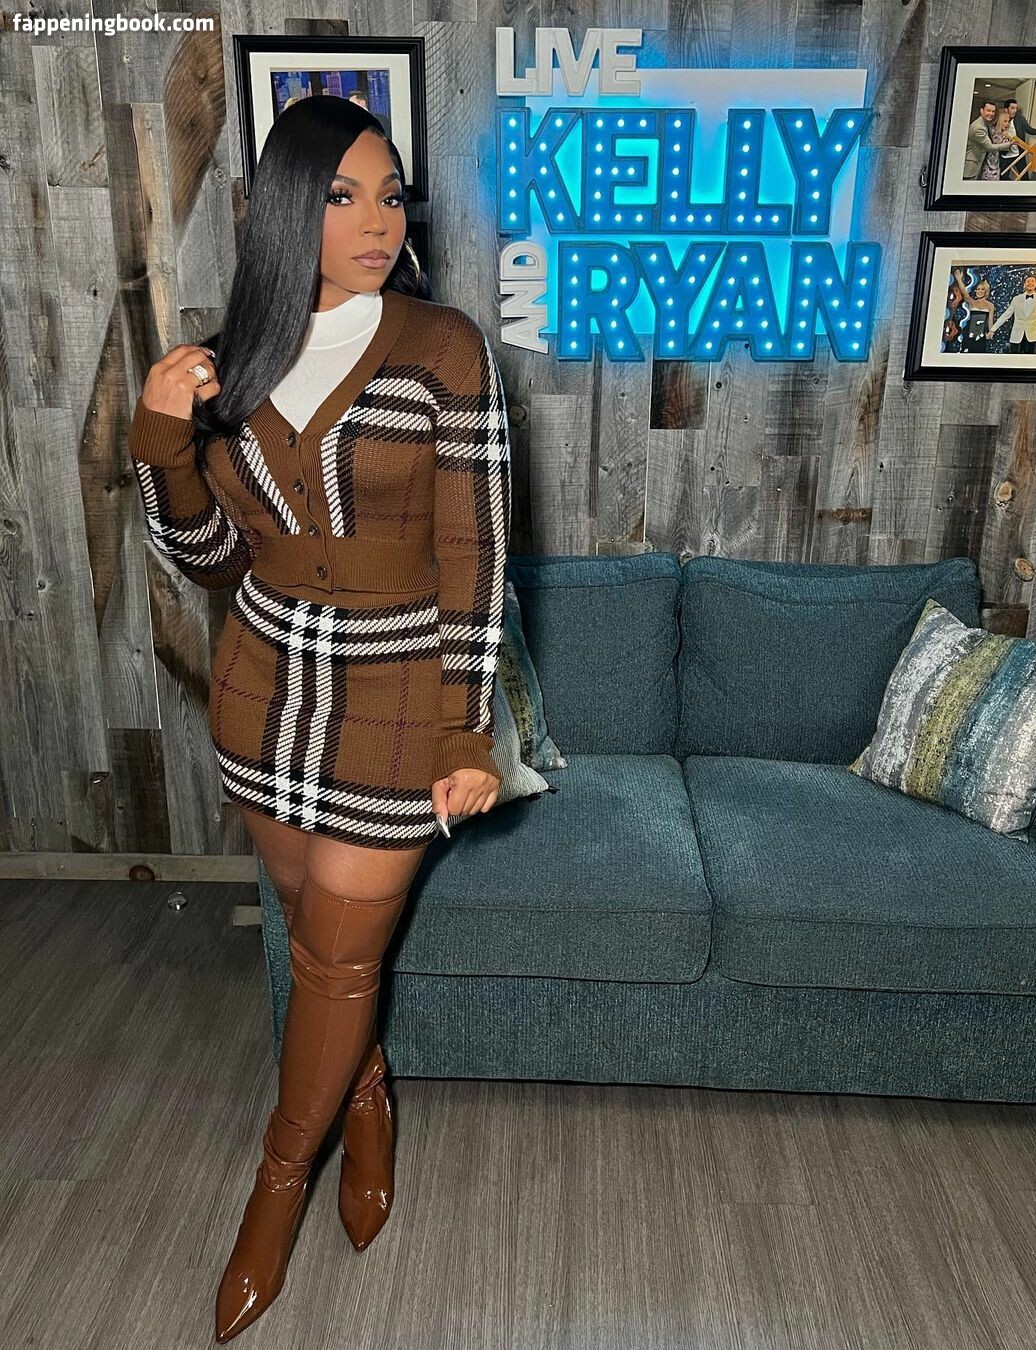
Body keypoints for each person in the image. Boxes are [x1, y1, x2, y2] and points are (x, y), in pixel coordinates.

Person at [126, 96, 512, 1342]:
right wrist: (161, 448)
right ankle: (367, 1096)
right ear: (288, 209)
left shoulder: (447, 350)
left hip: (399, 696)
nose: (377, 221)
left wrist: (466, 727)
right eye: (344, 196)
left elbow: (479, 556)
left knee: (339, 960)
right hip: (264, 693)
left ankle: (275, 1189)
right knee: (315, 944)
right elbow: (210, 559)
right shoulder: (225, 360)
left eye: (392, 195)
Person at [988, 273, 1036, 353]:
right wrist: (993, 330)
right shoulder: (1016, 299)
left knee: (1029, 359)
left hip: (1031, 337)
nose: (1030, 283)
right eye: (1028, 281)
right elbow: (1006, 315)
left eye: (1032, 281)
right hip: (1016, 336)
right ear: (1024, 284)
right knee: (1014, 358)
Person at [951, 268, 995, 351]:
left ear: (986, 291)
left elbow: (990, 322)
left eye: (982, 289)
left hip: (981, 335)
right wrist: (959, 279)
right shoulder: (972, 302)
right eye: (978, 289)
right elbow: (964, 292)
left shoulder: (990, 305)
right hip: (968, 333)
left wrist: (991, 332)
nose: (979, 291)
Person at [964, 100, 999, 179]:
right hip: (971, 166)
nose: (991, 114)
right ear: (981, 111)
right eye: (988, 110)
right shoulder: (978, 127)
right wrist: (1009, 145)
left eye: (993, 111)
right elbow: (989, 146)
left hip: (980, 163)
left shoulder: (987, 124)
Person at [977, 107, 1014, 181]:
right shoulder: (993, 133)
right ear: (1000, 121)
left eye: (1008, 121)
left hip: (997, 165)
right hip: (989, 165)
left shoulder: (1005, 134)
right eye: (1005, 121)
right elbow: (998, 147)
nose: (1007, 124)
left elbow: (1007, 149)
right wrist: (1009, 142)